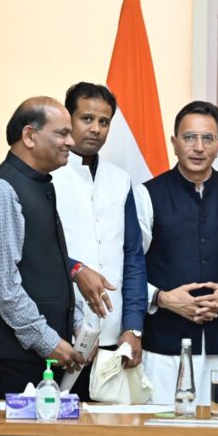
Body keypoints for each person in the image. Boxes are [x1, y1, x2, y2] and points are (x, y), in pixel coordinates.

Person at [133, 101, 218, 406]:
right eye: (189, 137)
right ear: (174, 142)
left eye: (207, 138)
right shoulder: (148, 194)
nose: (198, 147)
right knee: (163, 425)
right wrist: (162, 298)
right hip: (162, 348)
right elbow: (129, 267)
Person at [0, 97, 86, 398]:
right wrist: (47, 340)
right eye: (62, 133)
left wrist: (76, 325)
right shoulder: (1, 190)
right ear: (29, 135)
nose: (71, 142)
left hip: (45, 356)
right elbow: (2, 284)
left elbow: (49, 265)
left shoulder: (39, 183)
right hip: (15, 363)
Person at [51, 83, 147, 371]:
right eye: (87, 119)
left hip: (114, 334)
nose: (96, 129)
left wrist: (133, 327)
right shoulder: (48, 177)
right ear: (68, 119)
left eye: (104, 122)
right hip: (59, 333)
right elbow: (36, 251)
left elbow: (133, 256)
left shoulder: (120, 179)